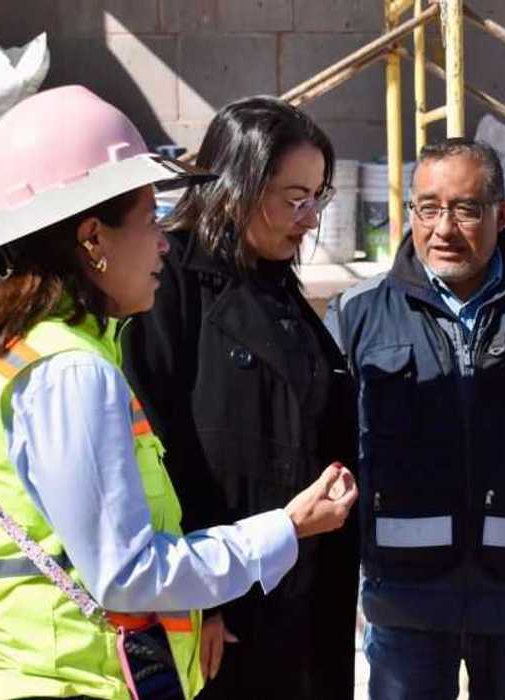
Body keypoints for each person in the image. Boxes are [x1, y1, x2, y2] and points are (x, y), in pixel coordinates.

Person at [0, 85, 356, 700]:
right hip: (71, 680)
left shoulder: (47, 351)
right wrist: (284, 529)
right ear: (92, 239)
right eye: (150, 221)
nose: (164, 240)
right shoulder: (71, 371)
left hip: (41, 671)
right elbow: (128, 572)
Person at [325, 137, 505, 700]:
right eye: (427, 208)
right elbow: (331, 438)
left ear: (501, 214)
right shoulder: (359, 313)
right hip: (406, 596)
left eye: (464, 209)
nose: (443, 228)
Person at [123, 96, 360, 699]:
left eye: (318, 197)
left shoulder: (277, 286)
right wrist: (201, 601)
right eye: (295, 198)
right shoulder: (168, 282)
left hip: (303, 593)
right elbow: (157, 449)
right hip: (227, 604)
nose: (311, 219)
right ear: (237, 186)